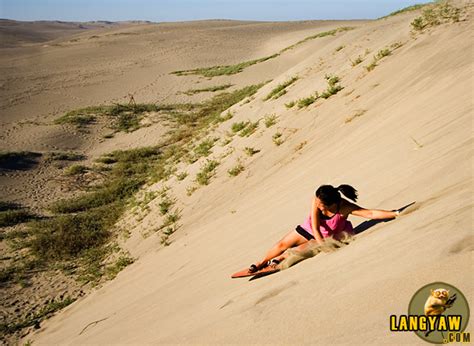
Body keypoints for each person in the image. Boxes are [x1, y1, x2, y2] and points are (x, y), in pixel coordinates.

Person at [249, 184, 400, 272]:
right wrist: (322, 244)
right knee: (282, 244)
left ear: (333, 204)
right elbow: (314, 226)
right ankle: (261, 262)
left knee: (303, 249)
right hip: (311, 229)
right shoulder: (318, 198)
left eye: (322, 206)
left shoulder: (345, 207)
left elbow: (370, 213)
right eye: (318, 204)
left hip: (332, 234)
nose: (318, 207)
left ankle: (278, 261)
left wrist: (395, 213)